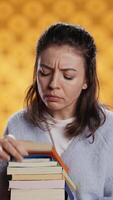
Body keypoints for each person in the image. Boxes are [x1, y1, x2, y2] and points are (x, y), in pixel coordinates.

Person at [0, 22, 113, 200]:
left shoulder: (109, 128)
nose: (53, 84)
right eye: (44, 72)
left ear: (87, 80)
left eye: (68, 76)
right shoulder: (17, 124)